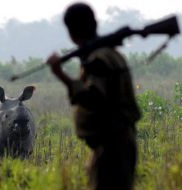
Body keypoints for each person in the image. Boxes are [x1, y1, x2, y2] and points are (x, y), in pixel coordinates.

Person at [46, 2, 141, 190]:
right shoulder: (112, 54)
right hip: (117, 142)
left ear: (72, 32)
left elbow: (94, 98)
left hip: (112, 145)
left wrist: (61, 75)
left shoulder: (98, 59)